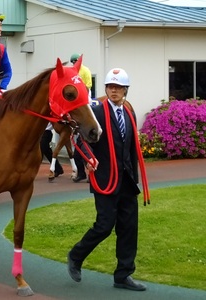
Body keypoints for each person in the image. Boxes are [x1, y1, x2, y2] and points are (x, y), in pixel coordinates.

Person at [67, 68, 147, 291]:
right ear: (105, 89)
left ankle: (123, 275)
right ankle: (76, 255)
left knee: (129, 228)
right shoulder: (96, 111)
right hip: (105, 179)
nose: (114, 90)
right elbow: (80, 139)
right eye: (110, 87)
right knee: (104, 226)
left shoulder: (129, 113)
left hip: (127, 181)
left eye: (118, 87)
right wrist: (89, 159)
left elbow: (131, 149)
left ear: (125, 90)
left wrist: (135, 178)